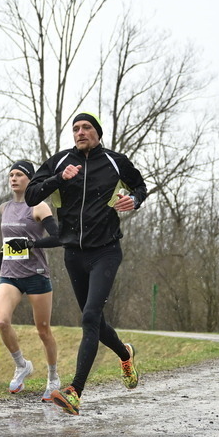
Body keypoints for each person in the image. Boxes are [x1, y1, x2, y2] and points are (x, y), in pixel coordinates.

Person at [24, 112, 148, 415]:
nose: (81, 132)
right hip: (73, 254)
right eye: (76, 128)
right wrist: (58, 177)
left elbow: (140, 187)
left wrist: (135, 200)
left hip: (106, 251)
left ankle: (75, 391)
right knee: (96, 321)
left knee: (90, 317)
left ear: (98, 133)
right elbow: (30, 196)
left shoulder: (116, 161)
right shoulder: (60, 161)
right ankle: (124, 352)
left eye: (87, 128)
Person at [0, 159, 61, 400]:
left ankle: (53, 377)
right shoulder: (4, 208)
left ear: (30, 180)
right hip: (10, 274)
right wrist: (2, 253)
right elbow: (9, 239)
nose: (13, 178)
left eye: (19, 175)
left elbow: (58, 237)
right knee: (2, 321)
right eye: (11, 174)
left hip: (36, 275)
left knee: (43, 330)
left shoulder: (39, 207)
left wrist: (32, 243)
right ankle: (22, 365)